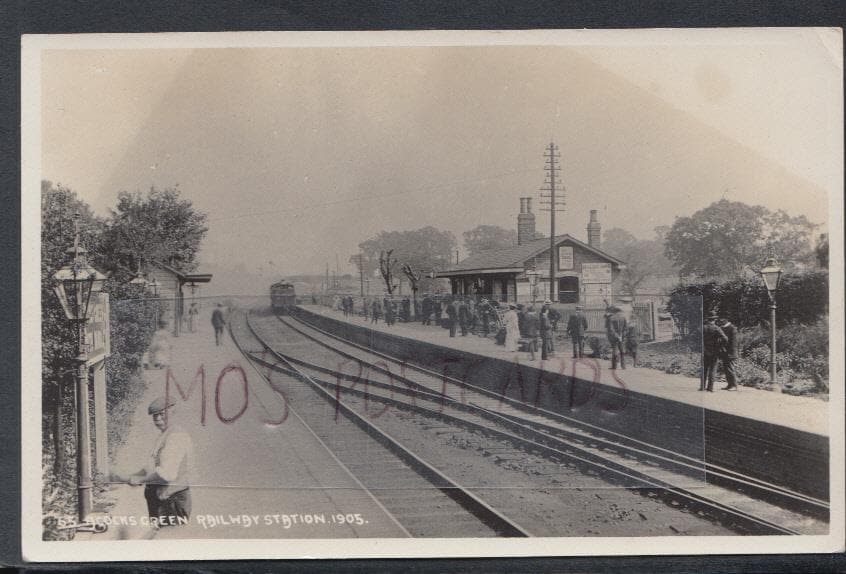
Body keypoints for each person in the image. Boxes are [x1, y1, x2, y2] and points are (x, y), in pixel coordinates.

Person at [124, 397, 193, 528]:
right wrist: (135, 475)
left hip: (171, 502)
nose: (158, 419)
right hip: (163, 501)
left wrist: (141, 480)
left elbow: (166, 474)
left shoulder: (176, 437)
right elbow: (152, 466)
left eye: (162, 415)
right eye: (155, 416)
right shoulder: (165, 435)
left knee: (168, 542)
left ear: (173, 413)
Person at [702, 313, 728, 392]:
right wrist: (720, 345)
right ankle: (710, 388)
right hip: (715, 351)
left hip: (705, 350)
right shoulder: (717, 328)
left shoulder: (703, 327)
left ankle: (702, 387)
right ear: (714, 320)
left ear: (708, 319)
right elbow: (725, 339)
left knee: (704, 369)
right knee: (713, 369)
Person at [717, 316, 739, 390]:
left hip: (730, 353)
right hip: (724, 352)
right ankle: (730, 384)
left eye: (722, 319)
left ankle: (734, 385)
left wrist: (729, 352)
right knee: (726, 369)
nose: (720, 321)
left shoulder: (732, 328)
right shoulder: (723, 328)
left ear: (726, 319)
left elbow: (733, 343)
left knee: (730, 368)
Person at [606, 305, 627, 369]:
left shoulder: (611, 318)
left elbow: (611, 329)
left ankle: (614, 366)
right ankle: (623, 366)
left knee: (615, 350)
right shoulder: (623, 317)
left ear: (614, 311)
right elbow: (625, 328)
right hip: (621, 337)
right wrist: (622, 336)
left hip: (614, 337)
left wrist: (617, 336)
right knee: (622, 351)